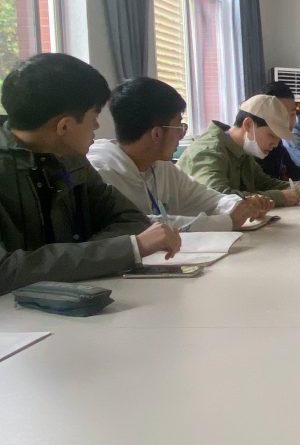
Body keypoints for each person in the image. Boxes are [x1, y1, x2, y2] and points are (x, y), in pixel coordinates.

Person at [0, 54, 180, 296]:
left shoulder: (70, 158)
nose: (97, 127)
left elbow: (131, 219)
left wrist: (82, 258)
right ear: (64, 126)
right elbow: (5, 271)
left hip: (74, 300)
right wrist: (126, 249)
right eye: (94, 117)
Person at [89, 77, 272, 232]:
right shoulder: (100, 174)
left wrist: (236, 205)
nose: (181, 134)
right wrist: (227, 221)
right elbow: (140, 226)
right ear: (157, 134)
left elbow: (207, 197)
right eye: (179, 126)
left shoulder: (161, 167)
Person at [177, 95, 300, 207]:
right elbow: (219, 198)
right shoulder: (208, 151)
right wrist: (280, 197)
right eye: (271, 135)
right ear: (248, 125)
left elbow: (265, 183)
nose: (276, 144)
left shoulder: (241, 150)